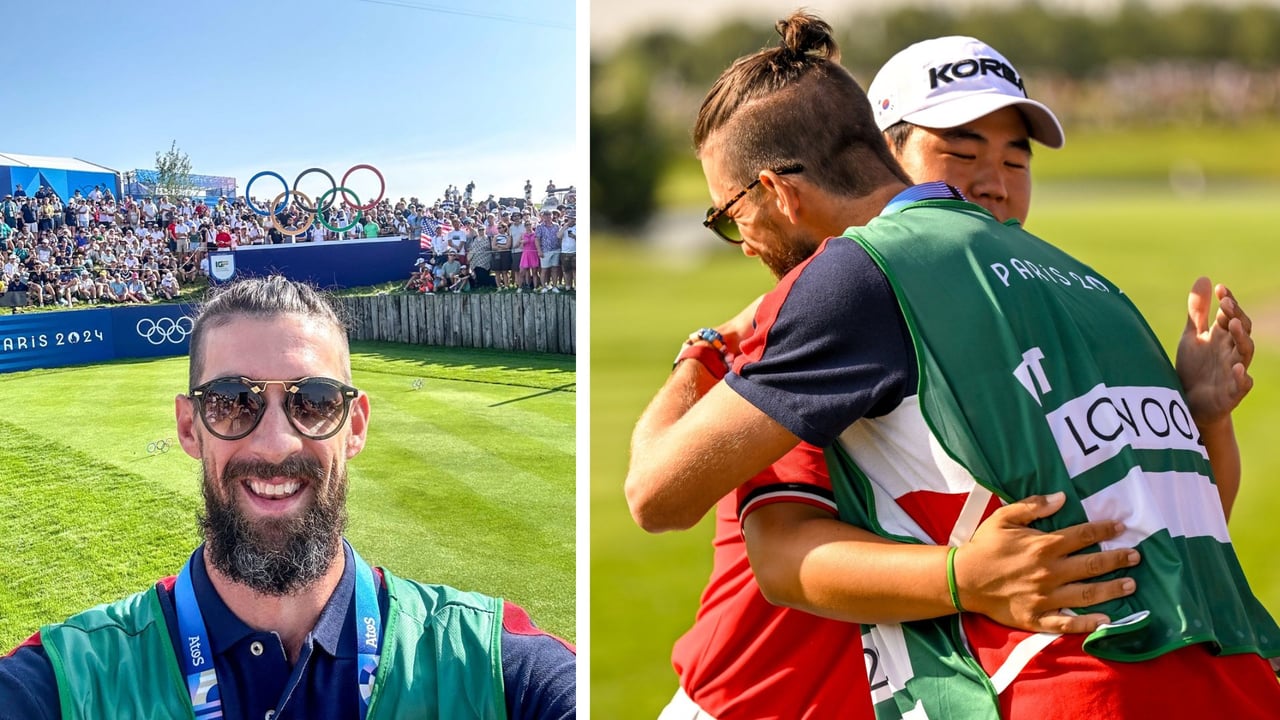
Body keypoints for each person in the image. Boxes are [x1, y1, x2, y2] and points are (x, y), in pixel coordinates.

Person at [627, 12, 1279, 720]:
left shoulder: (849, 285)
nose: (994, 182)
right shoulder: (1090, 287)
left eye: (730, 216)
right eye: (964, 152)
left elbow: (659, 497)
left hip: (1056, 692)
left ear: (778, 192)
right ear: (883, 148)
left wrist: (709, 349)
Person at [0, 277, 576, 718]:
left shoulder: (489, 663)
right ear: (187, 426)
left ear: (354, 426)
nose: (276, 443)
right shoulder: (70, 678)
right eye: (232, 401)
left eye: (314, 401)